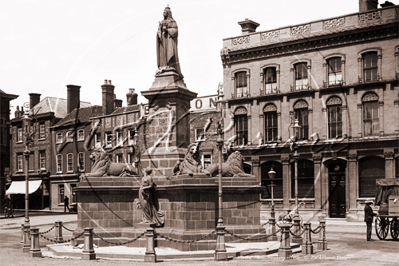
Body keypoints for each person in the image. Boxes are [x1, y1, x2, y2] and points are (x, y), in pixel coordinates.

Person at [156, 6, 182, 77]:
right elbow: (158, 32)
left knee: (170, 53)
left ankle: (170, 66)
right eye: (163, 12)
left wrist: (167, 30)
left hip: (169, 41)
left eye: (165, 12)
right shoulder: (162, 22)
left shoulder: (173, 22)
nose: (163, 14)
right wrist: (159, 32)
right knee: (163, 54)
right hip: (163, 41)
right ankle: (163, 66)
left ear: (168, 13)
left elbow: (175, 31)